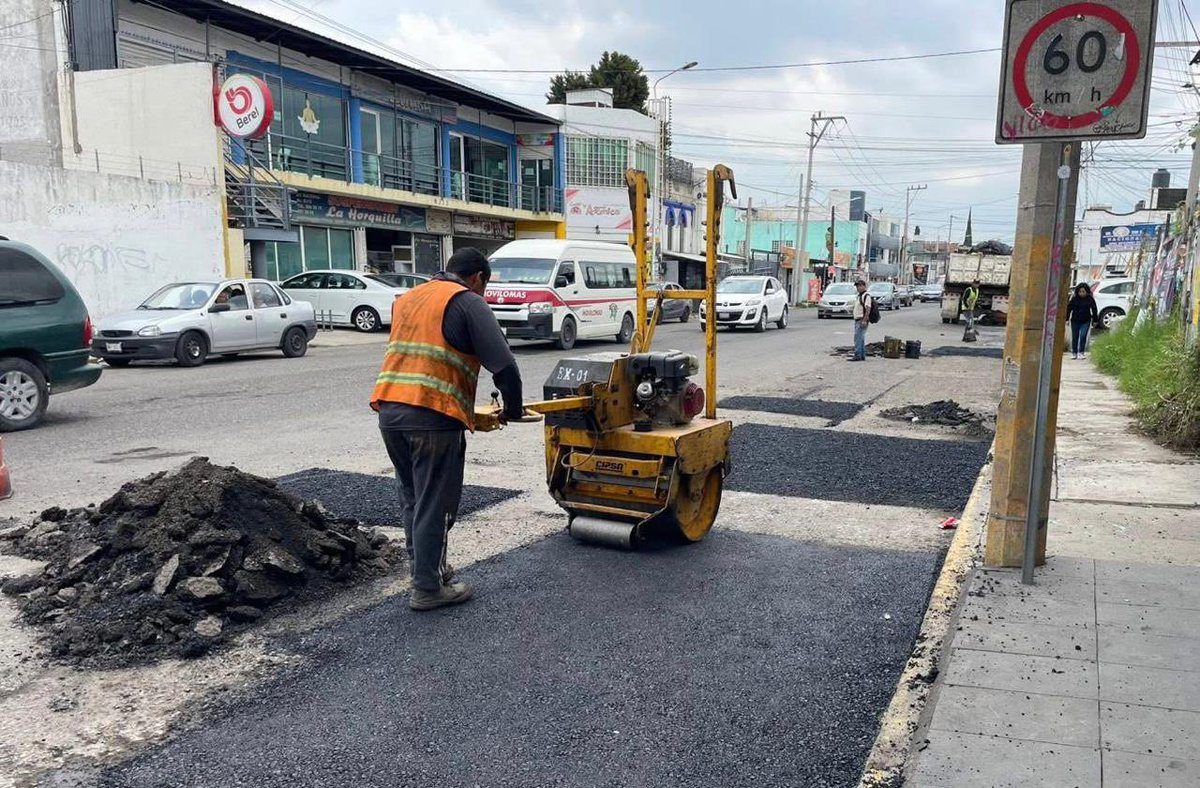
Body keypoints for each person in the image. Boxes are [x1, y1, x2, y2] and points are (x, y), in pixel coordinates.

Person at [371, 247, 526, 612]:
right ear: (477, 278)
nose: (483, 293)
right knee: (435, 502)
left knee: (413, 498)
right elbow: (504, 367)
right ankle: (427, 588)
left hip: (390, 409)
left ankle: (427, 570)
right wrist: (515, 410)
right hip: (433, 417)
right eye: (484, 287)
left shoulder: (408, 298)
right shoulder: (468, 301)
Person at [1066, 282, 1099, 360]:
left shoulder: (1090, 299)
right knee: (1075, 336)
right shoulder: (1074, 299)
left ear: (1087, 291)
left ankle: (1081, 352)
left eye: (1083, 291)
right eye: (1080, 291)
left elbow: (1094, 309)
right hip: (1075, 320)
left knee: (1083, 335)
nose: (1081, 293)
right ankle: (1074, 352)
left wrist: (1095, 320)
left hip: (1086, 320)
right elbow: (1069, 309)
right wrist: (1066, 319)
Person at [851, 278, 873, 361]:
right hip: (858, 320)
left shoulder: (866, 296)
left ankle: (857, 355)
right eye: (857, 286)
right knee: (861, 338)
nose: (858, 288)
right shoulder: (860, 296)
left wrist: (864, 320)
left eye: (860, 286)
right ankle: (862, 355)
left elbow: (868, 308)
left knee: (858, 338)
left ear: (864, 286)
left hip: (861, 320)